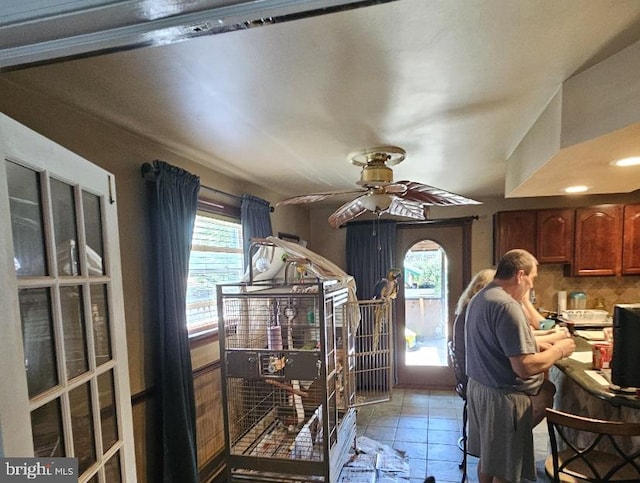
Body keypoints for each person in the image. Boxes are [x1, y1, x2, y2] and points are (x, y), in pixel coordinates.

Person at [465, 249, 576, 483]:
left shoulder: (481, 298)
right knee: (506, 470)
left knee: (489, 459)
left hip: (480, 389)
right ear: (520, 275)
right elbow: (524, 367)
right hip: (503, 399)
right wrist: (560, 350)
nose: (532, 286)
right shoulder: (507, 306)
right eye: (533, 279)